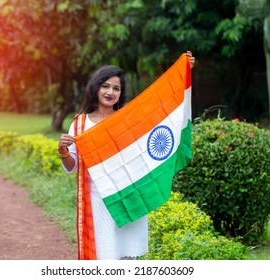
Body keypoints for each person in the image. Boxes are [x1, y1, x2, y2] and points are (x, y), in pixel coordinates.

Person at [58, 51, 195, 260]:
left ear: (121, 93)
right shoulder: (79, 124)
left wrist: (184, 72)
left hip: (128, 194)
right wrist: (63, 151)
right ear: (96, 88)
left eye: (116, 88)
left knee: (126, 256)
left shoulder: (128, 121)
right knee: (104, 253)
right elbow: (72, 166)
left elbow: (160, 105)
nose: (110, 92)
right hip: (98, 200)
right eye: (105, 86)